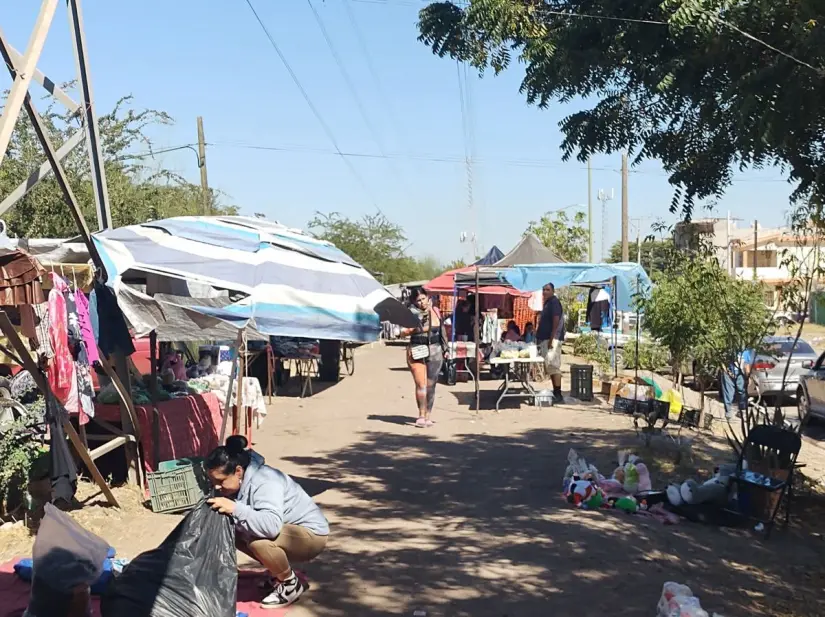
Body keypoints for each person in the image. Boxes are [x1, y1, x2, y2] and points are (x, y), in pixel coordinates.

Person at [206, 436, 329, 609]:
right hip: (287, 531)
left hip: (311, 537)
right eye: (213, 482)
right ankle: (277, 573)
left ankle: (289, 584)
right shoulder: (240, 481)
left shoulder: (265, 481)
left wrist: (235, 509)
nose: (217, 487)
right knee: (231, 529)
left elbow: (271, 527)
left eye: (221, 481)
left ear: (239, 471)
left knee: (259, 542)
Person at [400, 288, 445, 427]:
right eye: (418, 300)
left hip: (435, 350)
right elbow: (401, 332)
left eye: (423, 299)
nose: (421, 302)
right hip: (417, 349)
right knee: (421, 384)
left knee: (431, 385)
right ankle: (420, 415)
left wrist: (446, 348)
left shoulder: (436, 311)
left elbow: (442, 330)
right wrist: (420, 328)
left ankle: (428, 415)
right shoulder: (410, 314)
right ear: (414, 301)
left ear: (428, 298)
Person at [536, 283, 565, 404]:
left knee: (554, 366)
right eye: (543, 290)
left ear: (553, 291)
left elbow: (556, 320)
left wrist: (552, 338)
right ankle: (555, 391)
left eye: (547, 290)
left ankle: (558, 393)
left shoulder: (554, 302)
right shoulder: (547, 303)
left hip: (552, 339)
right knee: (550, 367)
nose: (545, 292)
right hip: (546, 338)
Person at [720, 349, 753, 420]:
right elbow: (722, 362)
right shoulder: (729, 350)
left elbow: (747, 365)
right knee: (728, 393)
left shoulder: (746, 352)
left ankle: (741, 411)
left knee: (742, 392)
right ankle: (728, 412)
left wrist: (748, 377)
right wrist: (727, 372)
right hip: (728, 373)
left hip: (740, 373)